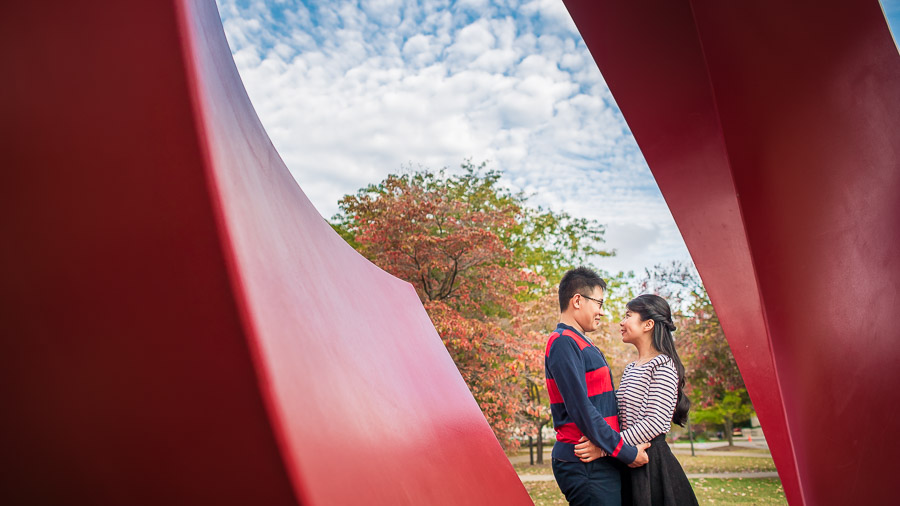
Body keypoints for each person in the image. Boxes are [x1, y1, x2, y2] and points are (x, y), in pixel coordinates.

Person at [574, 294, 698, 506]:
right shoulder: (632, 368)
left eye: (628, 315)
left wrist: (606, 448)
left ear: (648, 324)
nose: (622, 322)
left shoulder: (663, 366)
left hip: (652, 467)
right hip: (628, 458)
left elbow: (655, 422)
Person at [545, 267, 650, 505]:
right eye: (599, 303)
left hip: (600, 460)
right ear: (578, 301)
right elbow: (580, 408)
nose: (601, 312)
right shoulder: (563, 342)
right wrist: (625, 452)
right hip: (585, 465)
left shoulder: (582, 341)